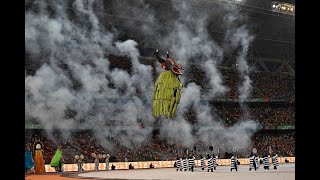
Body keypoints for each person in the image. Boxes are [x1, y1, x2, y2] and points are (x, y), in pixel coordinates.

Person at [152, 49, 184, 119]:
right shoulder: (169, 62)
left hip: (169, 76)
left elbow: (161, 59)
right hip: (169, 76)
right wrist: (159, 53)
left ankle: (166, 110)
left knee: (167, 92)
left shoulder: (168, 62)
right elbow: (162, 60)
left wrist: (157, 53)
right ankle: (166, 110)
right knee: (165, 92)